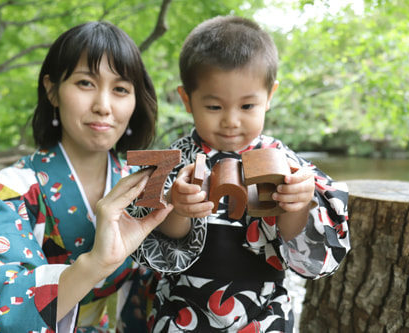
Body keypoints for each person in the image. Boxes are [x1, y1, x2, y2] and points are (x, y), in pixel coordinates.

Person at [0, 21, 173, 333]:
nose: (104, 106)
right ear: (52, 90)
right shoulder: (12, 188)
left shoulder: (141, 182)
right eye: (85, 83)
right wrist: (94, 265)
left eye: (120, 89)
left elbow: (163, 284)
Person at [130, 16, 351, 332]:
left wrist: (298, 204)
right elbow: (155, 243)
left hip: (262, 312)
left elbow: (301, 248)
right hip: (183, 308)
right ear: (187, 100)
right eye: (215, 107)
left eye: (247, 106)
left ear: (269, 96)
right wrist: (177, 208)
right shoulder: (172, 161)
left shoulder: (285, 163)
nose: (231, 121)